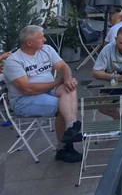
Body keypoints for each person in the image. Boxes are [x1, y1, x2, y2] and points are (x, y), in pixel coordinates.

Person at [3, 26, 83, 163]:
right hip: (24, 100)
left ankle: (71, 126)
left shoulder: (46, 49)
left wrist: (67, 79)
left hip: (48, 91)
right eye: (41, 38)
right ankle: (64, 149)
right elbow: (27, 89)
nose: (45, 39)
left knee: (69, 88)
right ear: (29, 43)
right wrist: (58, 82)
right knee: (62, 106)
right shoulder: (14, 61)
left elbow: (63, 66)